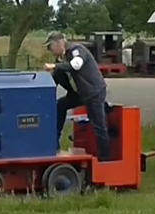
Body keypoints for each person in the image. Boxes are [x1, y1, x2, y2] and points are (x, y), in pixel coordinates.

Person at [43, 32, 111, 160]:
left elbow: (76, 65)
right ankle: (54, 144)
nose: (49, 50)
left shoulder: (76, 50)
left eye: (50, 46)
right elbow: (55, 80)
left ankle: (105, 160)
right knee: (61, 105)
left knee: (99, 126)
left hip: (93, 93)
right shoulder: (61, 60)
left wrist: (54, 66)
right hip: (80, 94)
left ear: (59, 43)